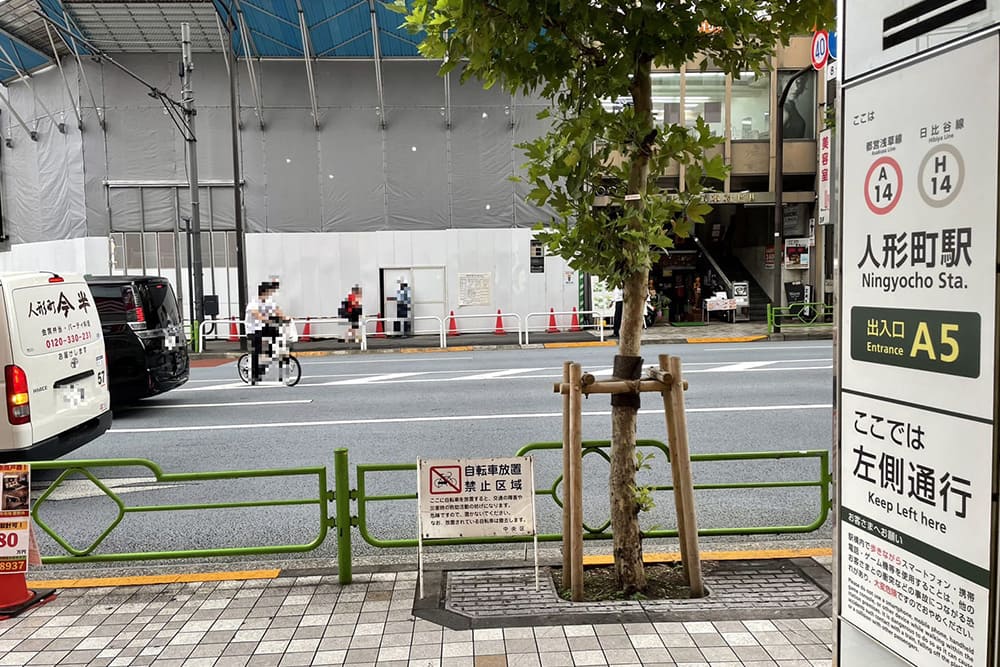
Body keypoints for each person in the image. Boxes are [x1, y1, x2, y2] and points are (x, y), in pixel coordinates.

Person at [245, 280, 285, 385]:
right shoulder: (253, 303)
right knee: (256, 351)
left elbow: (277, 310)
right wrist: (268, 319)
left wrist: (285, 318)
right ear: (263, 292)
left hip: (263, 328)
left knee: (276, 336)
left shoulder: (269, 301)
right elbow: (257, 315)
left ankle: (268, 358)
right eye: (268, 293)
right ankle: (253, 375)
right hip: (252, 330)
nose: (269, 295)